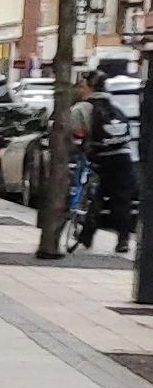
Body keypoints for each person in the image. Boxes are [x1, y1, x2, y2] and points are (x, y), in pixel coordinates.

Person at [70, 70, 138, 253]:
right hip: (123, 159)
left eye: (83, 86)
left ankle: (86, 238)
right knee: (121, 201)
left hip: (100, 161)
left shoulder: (82, 108)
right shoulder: (115, 107)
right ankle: (123, 240)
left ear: (89, 87)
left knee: (95, 199)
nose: (81, 90)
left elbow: (74, 133)